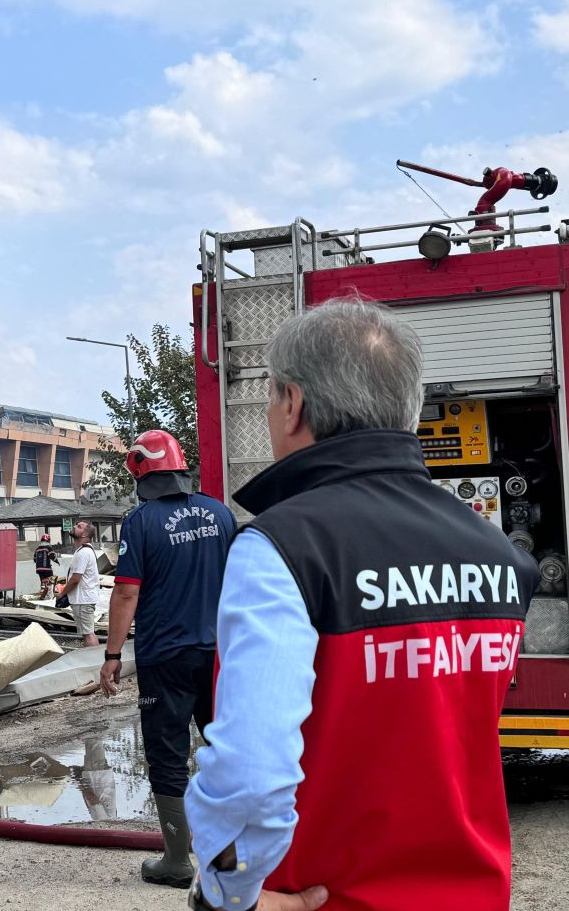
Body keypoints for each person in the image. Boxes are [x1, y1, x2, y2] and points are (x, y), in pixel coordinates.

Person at [182, 299, 536, 911]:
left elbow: (250, 776)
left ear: (292, 403)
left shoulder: (282, 546)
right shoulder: (500, 554)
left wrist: (226, 893)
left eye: (270, 399)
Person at [99, 427, 234, 889]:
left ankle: (177, 861)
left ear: (141, 469)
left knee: (168, 755)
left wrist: (113, 654)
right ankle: (232, 853)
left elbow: (125, 592)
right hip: (220, 654)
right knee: (225, 749)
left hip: (166, 656)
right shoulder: (219, 513)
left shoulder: (140, 522)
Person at [61, 522, 100, 647]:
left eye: (79, 527)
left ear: (85, 534)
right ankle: (94, 660)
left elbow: (75, 579)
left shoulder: (84, 553)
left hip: (83, 600)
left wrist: (62, 593)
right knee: (87, 633)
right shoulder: (83, 551)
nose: (74, 527)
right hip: (83, 599)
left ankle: (94, 662)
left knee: (88, 634)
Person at [34, 533, 60, 598]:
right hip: (47, 568)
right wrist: (57, 561)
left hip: (39, 569)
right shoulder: (48, 547)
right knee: (51, 580)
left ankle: (43, 592)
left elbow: (34, 559)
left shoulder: (37, 549)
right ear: (48, 540)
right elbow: (52, 556)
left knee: (43, 581)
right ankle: (51, 594)